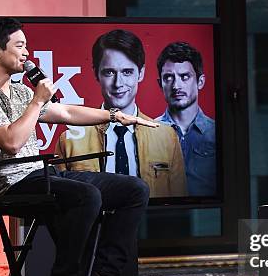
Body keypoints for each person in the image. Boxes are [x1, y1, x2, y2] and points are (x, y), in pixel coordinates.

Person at [0, 18, 159, 276]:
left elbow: (66, 111)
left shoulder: (18, 92)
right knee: (87, 196)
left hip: (41, 175)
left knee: (134, 189)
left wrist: (115, 116)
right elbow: (11, 143)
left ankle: (103, 273)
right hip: (12, 184)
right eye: (20, 46)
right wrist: (37, 101)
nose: (27, 53)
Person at [54, 30, 187, 198]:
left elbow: (178, 203)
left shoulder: (167, 137)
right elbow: (60, 207)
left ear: (141, 73)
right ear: (96, 73)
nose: (118, 83)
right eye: (109, 72)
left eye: (127, 72)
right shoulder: (69, 140)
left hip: (148, 223)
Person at [155, 42, 216, 196]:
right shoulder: (147, 133)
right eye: (168, 77)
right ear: (160, 83)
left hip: (208, 214)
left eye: (185, 76)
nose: (176, 85)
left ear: (200, 82)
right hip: (157, 216)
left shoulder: (216, 132)